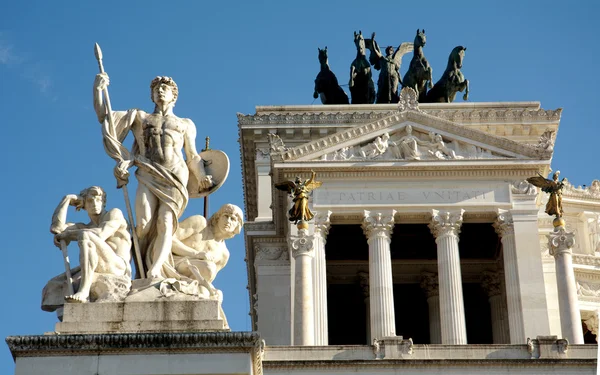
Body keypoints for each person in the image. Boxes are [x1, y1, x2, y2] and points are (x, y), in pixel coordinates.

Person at [93, 73, 213, 279]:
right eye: (156, 89)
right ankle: (139, 270)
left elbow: (192, 155)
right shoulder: (140, 117)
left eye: (164, 89)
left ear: (174, 96)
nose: (160, 91)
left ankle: (156, 268)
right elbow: (106, 119)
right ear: (152, 96)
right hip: (147, 172)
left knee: (166, 222)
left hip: (175, 176)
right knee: (143, 224)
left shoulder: (185, 123)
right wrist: (98, 89)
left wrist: (202, 175)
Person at [50, 186, 131, 303]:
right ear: (83, 205)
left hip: (118, 266)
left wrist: (69, 235)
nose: (94, 203)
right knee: (55, 284)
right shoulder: (84, 227)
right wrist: (67, 199)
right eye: (90, 200)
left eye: (98, 200)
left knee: (85, 235)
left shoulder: (114, 214)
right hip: (99, 265)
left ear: (104, 202)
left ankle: (84, 292)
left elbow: (101, 234)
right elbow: (57, 228)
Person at [161, 204, 244, 299]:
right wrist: (195, 254)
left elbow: (206, 279)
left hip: (192, 278)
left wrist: (213, 290)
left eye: (233, 219)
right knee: (209, 267)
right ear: (218, 217)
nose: (228, 221)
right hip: (171, 263)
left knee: (213, 293)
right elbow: (168, 240)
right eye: (225, 216)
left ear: (237, 226)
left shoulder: (223, 255)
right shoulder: (200, 223)